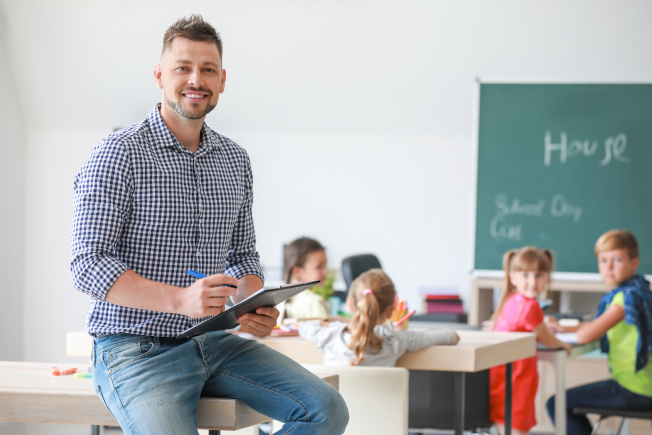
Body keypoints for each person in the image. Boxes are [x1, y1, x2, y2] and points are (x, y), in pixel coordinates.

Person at [70, 15, 347, 435]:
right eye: (183, 67)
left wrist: (255, 303)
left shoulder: (235, 160)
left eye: (208, 69)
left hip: (215, 342)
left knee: (327, 410)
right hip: (133, 349)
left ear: (222, 80)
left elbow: (242, 256)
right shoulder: (118, 153)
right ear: (160, 75)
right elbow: (87, 264)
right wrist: (181, 301)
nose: (195, 79)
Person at [545, 230, 652, 434]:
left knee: (556, 403)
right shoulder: (640, 290)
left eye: (617, 259)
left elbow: (587, 335)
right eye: (603, 260)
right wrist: (562, 328)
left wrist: (556, 334)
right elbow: (597, 325)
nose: (608, 267)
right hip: (642, 385)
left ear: (634, 263)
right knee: (560, 403)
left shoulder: (625, 298)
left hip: (635, 388)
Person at [299, 268, 459, 366]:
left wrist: (331, 323)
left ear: (351, 304)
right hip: (382, 421)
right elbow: (452, 336)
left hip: (337, 421)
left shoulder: (329, 336)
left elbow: (304, 327)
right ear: (390, 312)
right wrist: (402, 331)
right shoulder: (397, 339)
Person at [489, 247, 572, 435]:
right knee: (518, 430)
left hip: (500, 380)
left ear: (548, 277)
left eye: (539, 275)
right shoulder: (531, 306)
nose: (533, 282)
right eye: (525, 275)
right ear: (513, 277)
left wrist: (543, 322)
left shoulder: (511, 300)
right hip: (517, 383)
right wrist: (563, 345)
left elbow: (529, 325)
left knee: (505, 429)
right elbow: (548, 339)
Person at [282, 237, 330, 320]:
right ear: (297, 271)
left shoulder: (281, 301)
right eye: (319, 266)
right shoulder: (314, 302)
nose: (326, 271)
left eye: (325, 265)